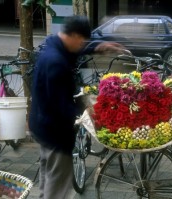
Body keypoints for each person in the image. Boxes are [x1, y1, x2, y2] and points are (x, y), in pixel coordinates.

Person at [29, 15, 124, 198]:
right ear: (73, 36)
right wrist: (87, 113)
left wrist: (97, 48)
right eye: (82, 41)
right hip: (55, 132)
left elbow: (73, 51)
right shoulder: (56, 63)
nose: (82, 45)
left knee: (47, 176)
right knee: (58, 186)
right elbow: (60, 107)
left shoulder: (54, 45)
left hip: (42, 127)